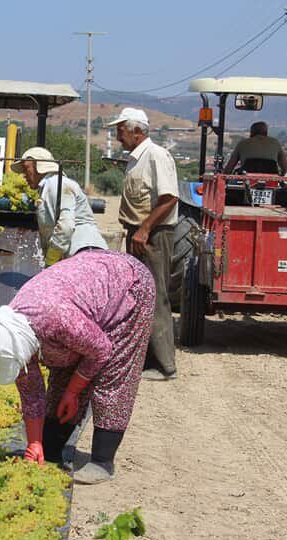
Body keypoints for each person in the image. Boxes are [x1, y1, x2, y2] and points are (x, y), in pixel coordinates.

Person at [0, 249, 155, 484]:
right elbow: (30, 391)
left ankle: (103, 461)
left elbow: (101, 350)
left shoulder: (57, 319)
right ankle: (49, 445)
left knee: (112, 374)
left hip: (129, 284)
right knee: (64, 369)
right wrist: (34, 443)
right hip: (84, 295)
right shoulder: (13, 330)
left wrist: (73, 391)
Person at [107, 107, 178, 381]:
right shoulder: (136, 158)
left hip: (154, 235)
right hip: (140, 233)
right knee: (140, 296)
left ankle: (165, 365)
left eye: (121, 130)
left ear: (138, 131)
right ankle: (146, 359)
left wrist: (145, 229)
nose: (118, 136)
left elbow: (169, 198)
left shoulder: (156, 156)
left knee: (156, 296)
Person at [11, 146, 107, 266]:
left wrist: (51, 261)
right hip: (76, 255)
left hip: (84, 253)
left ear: (39, 166)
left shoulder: (56, 184)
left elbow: (66, 226)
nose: (24, 175)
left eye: (26, 169)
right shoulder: (47, 187)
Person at [223, 121, 287, 175]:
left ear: (251, 133)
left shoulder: (242, 143)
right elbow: (286, 168)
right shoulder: (275, 143)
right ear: (266, 132)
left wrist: (224, 178)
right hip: (271, 179)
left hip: (246, 180)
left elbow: (229, 168)